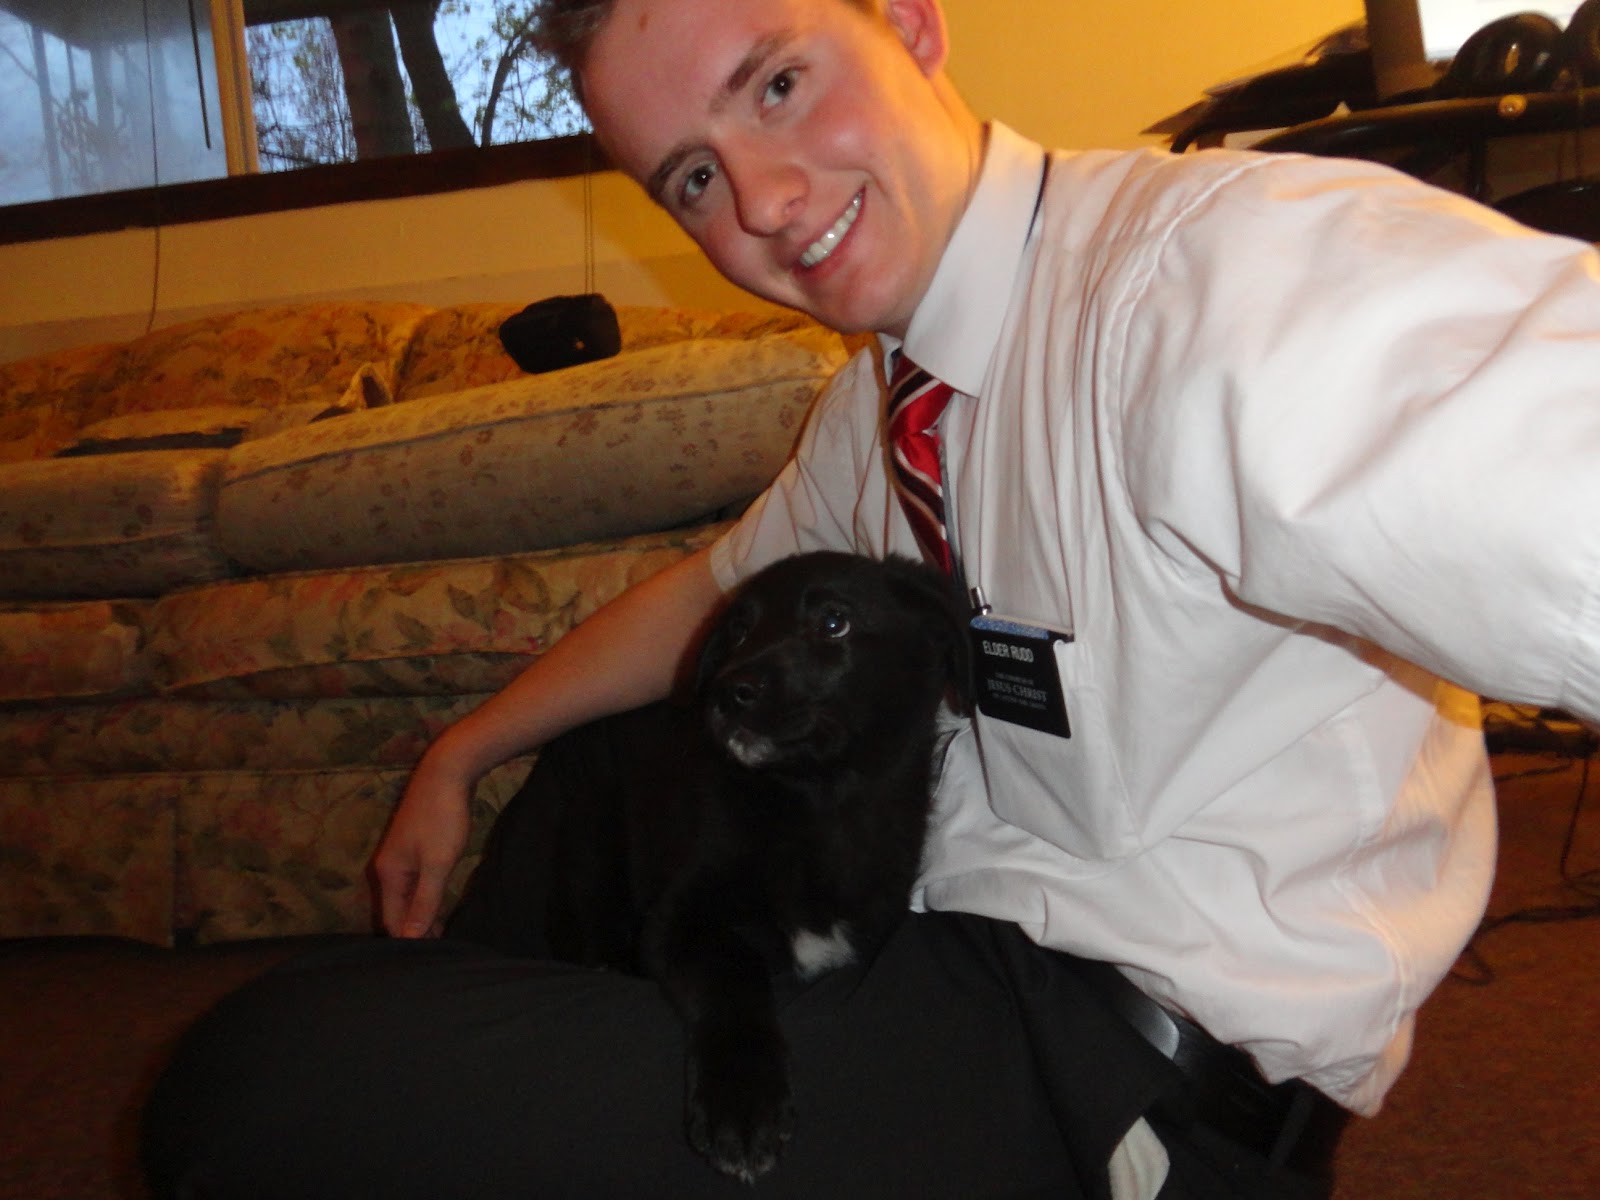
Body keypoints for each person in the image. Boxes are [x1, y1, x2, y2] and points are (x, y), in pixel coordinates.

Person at [141, 1, 1600, 1197]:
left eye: (778, 83)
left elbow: (1530, 454)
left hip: (1130, 1063)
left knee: (255, 1090)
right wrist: (459, 754)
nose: (764, 203)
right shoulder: (880, 405)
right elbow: (713, 593)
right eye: (694, 177)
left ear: (909, 23)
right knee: (577, 807)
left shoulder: (1205, 281)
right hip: (944, 949)